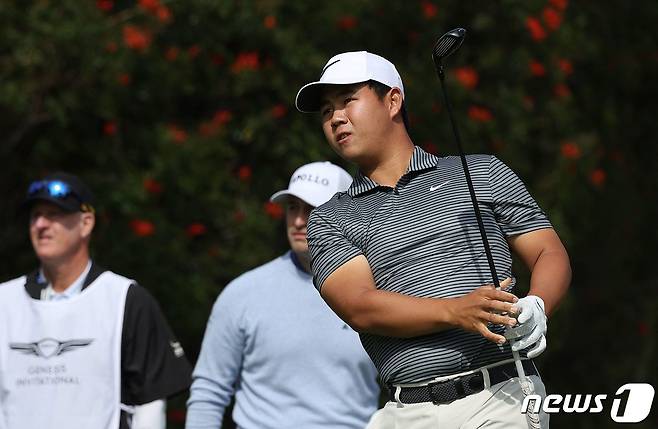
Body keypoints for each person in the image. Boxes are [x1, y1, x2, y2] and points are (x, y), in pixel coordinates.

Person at [295, 51, 572, 428]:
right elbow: (360, 306)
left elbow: (547, 250)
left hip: (501, 397)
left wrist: (538, 303)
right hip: (405, 411)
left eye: (347, 101)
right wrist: (455, 311)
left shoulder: (482, 171)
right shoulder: (330, 217)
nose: (336, 117)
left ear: (392, 101)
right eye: (327, 110)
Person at [185, 161, 380, 429]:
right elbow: (209, 391)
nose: (299, 221)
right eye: (292, 208)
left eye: (311, 209)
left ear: (346, 215)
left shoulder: (379, 292)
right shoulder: (243, 293)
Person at [0, 172, 192, 429]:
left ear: (86, 223)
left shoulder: (126, 300)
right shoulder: (5, 301)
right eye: (35, 216)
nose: (41, 224)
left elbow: (151, 402)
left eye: (53, 214)